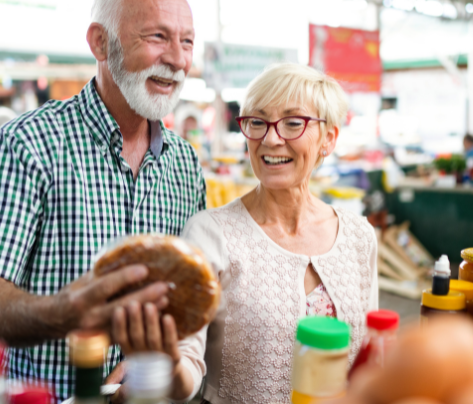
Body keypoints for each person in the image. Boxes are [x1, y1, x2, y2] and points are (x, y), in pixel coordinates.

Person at [0, 0, 206, 402]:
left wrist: (157, 362)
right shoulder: (27, 143)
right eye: (158, 37)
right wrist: (66, 311)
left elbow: (186, 302)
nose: (178, 60)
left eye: (186, 42)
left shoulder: (184, 163)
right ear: (100, 43)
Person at [112, 63, 379, 403]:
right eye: (257, 122)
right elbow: (189, 366)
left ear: (329, 138)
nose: (270, 139)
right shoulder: (212, 234)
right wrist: (163, 363)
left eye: (293, 123)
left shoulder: (358, 236)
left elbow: (369, 356)